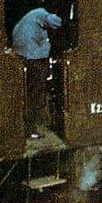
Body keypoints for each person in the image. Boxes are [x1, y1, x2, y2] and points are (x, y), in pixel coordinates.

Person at [13, 7, 63, 136]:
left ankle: (27, 126)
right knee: (37, 94)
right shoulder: (42, 13)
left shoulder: (28, 17)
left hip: (23, 55)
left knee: (30, 93)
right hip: (35, 57)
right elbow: (55, 22)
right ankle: (31, 129)